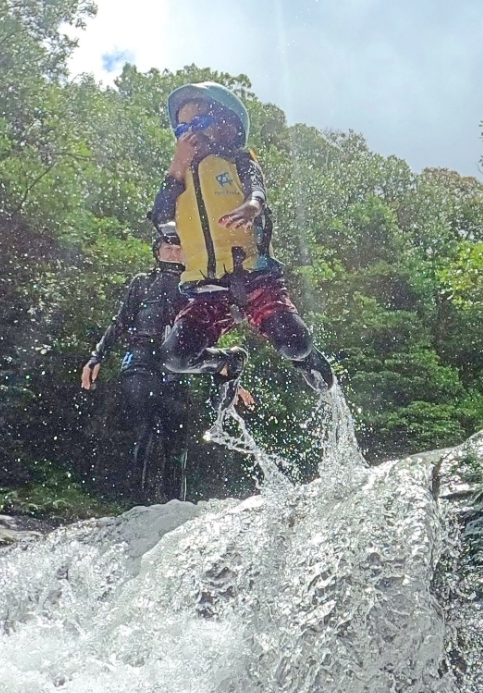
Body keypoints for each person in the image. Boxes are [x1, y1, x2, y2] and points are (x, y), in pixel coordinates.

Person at [151, 81, 335, 411]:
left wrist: (251, 207)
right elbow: (161, 215)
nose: (190, 134)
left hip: (254, 278)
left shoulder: (239, 162)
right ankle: (226, 364)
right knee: (174, 357)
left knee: (294, 343)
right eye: (182, 128)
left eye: (199, 123)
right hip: (207, 289)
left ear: (226, 126)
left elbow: (256, 190)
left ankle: (306, 359)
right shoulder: (178, 181)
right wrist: (177, 165)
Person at [82, 237, 248, 502]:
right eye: (167, 248)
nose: (173, 253)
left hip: (176, 369)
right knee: (144, 430)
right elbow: (121, 321)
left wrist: (224, 373)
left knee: (177, 442)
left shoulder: (195, 287)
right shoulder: (143, 282)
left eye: (179, 248)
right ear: (157, 252)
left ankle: (176, 507)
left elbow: (203, 336)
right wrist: (96, 356)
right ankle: (137, 503)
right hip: (141, 361)